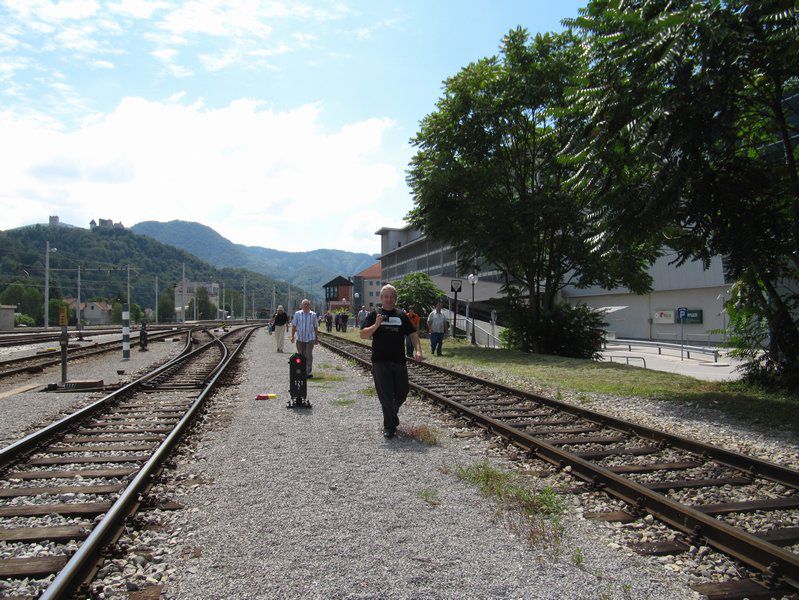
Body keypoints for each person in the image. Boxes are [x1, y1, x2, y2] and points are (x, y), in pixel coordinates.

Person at [360, 284, 423, 438]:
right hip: (380, 361)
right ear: (381, 298)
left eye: (391, 296)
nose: (388, 299)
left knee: (402, 393)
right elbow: (363, 334)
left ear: (395, 298)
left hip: (399, 361)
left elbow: (413, 334)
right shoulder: (374, 313)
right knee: (386, 396)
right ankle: (389, 427)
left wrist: (418, 350)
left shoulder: (401, 315)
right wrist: (376, 325)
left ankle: (391, 416)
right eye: (386, 297)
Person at [291, 299, 319, 378]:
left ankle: (307, 372)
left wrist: (316, 337)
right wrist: (292, 336)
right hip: (300, 338)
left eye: (307, 304)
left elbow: (315, 326)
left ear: (309, 305)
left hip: (310, 338)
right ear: (302, 305)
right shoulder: (297, 314)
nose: (306, 306)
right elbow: (294, 325)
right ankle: (301, 370)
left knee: (308, 354)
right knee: (301, 355)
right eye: (304, 304)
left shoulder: (313, 314)